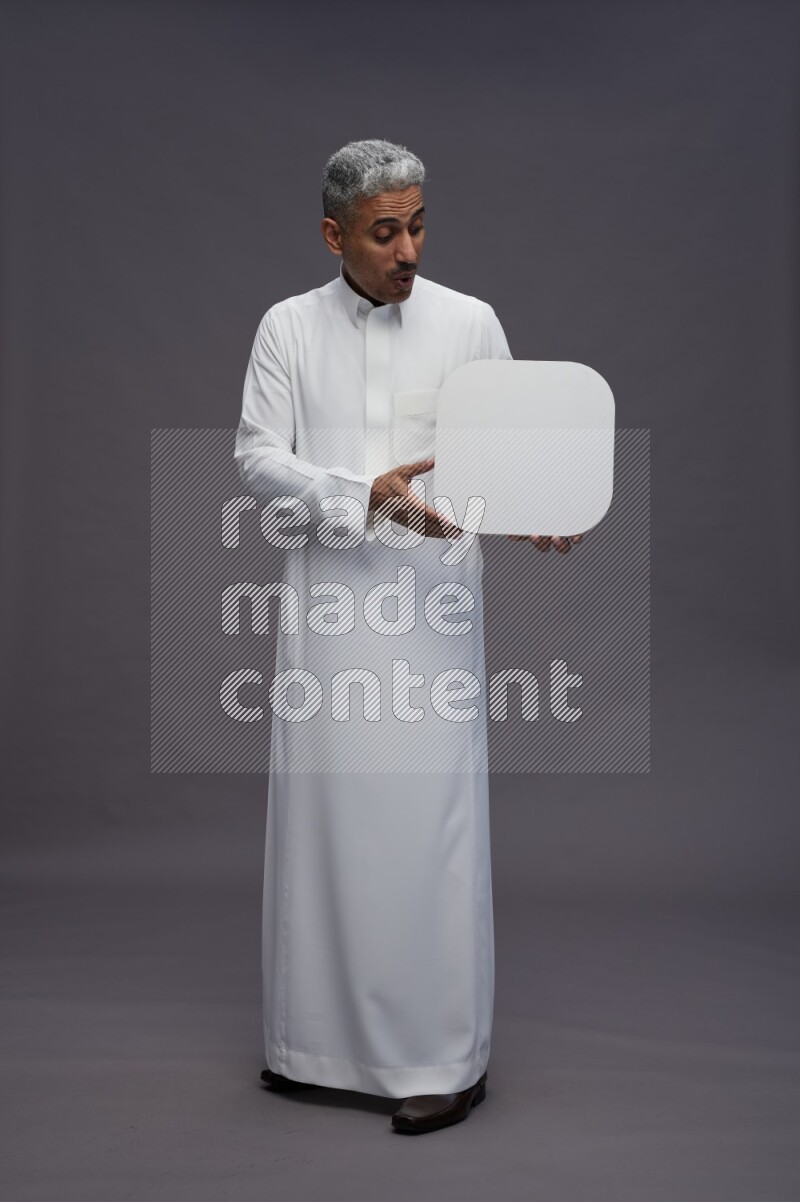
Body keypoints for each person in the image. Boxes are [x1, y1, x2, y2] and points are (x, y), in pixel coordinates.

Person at [234, 138, 581, 1136]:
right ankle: (308, 1048)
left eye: (417, 224)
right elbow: (256, 457)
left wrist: (536, 503)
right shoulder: (287, 329)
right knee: (325, 827)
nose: (407, 249)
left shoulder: (469, 323)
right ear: (333, 233)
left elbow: (508, 458)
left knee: (429, 837)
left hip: (430, 618)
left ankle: (441, 1057)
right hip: (330, 612)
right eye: (385, 231)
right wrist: (359, 494)